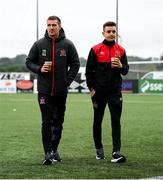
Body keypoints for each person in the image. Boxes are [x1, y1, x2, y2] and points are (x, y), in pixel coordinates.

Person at [26, 15, 80, 165]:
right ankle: (47, 153)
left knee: (58, 121)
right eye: (49, 25)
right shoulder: (39, 44)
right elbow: (29, 62)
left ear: (59, 26)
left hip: (61, 91)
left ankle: (54, 149)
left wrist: (67, 81)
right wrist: (39, 68)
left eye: (54, 25)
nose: (51, 28)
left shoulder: (68, 44)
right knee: (46, 121)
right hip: (44, 91)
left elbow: (75, 64)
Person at [85, 21, 129, 163]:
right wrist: (92, 90)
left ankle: (116, 152)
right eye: (108, 31)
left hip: (115, 93)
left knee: (116, 122)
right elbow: (88, 72)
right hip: (99, 94)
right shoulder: (95, 49)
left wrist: (121, 66)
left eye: (113, 31)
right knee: (97, 121)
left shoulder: (121, 50)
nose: (111, 34)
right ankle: (99, 149)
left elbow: (126, 70)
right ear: (103, 33)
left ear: (116, 33)